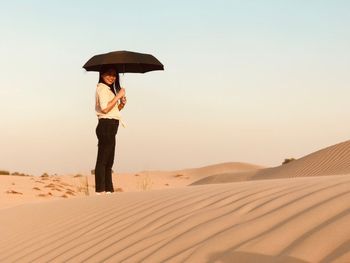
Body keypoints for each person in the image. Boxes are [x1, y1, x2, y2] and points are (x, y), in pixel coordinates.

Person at [94, 65, 126, 195]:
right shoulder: (101, 88)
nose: (112, 77)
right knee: (103, 159)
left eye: (114, 75)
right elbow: (105, 109)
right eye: (109, 74)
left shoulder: (108, 89)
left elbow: (112, 110)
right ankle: (100, 190)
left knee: (109, 160)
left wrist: (121, 104)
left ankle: (108, 190)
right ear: (102, 74)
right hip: (106, 125)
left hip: (111, 124)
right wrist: (118, 96)